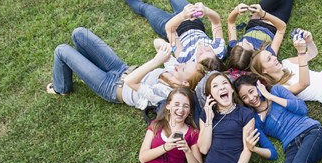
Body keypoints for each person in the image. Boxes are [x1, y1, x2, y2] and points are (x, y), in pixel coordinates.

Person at [46, 27, 205, 110]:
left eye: (183, 68)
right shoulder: (175, 70)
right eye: (183, 64)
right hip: (120, 68)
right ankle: (87, 66)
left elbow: (131, 82)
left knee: (62, 50)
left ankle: (62, 88)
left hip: (112, 87)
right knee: (79, 34)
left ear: (184, 83)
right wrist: (163, 46)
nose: (180, 65)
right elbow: (156, 43)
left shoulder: (166, 94)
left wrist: (157, 60)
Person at [116, 0, 226, 71]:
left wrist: (183, 15)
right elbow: (216, 21)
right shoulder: (219, 50)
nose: (202, 48)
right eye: (208, 50)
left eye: (200, 53)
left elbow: (170, 30)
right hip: (194, 21)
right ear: (215, 55)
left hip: (171, 26)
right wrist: (206, 10)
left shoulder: (185, 59)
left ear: (196, 62)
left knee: (145, 8)